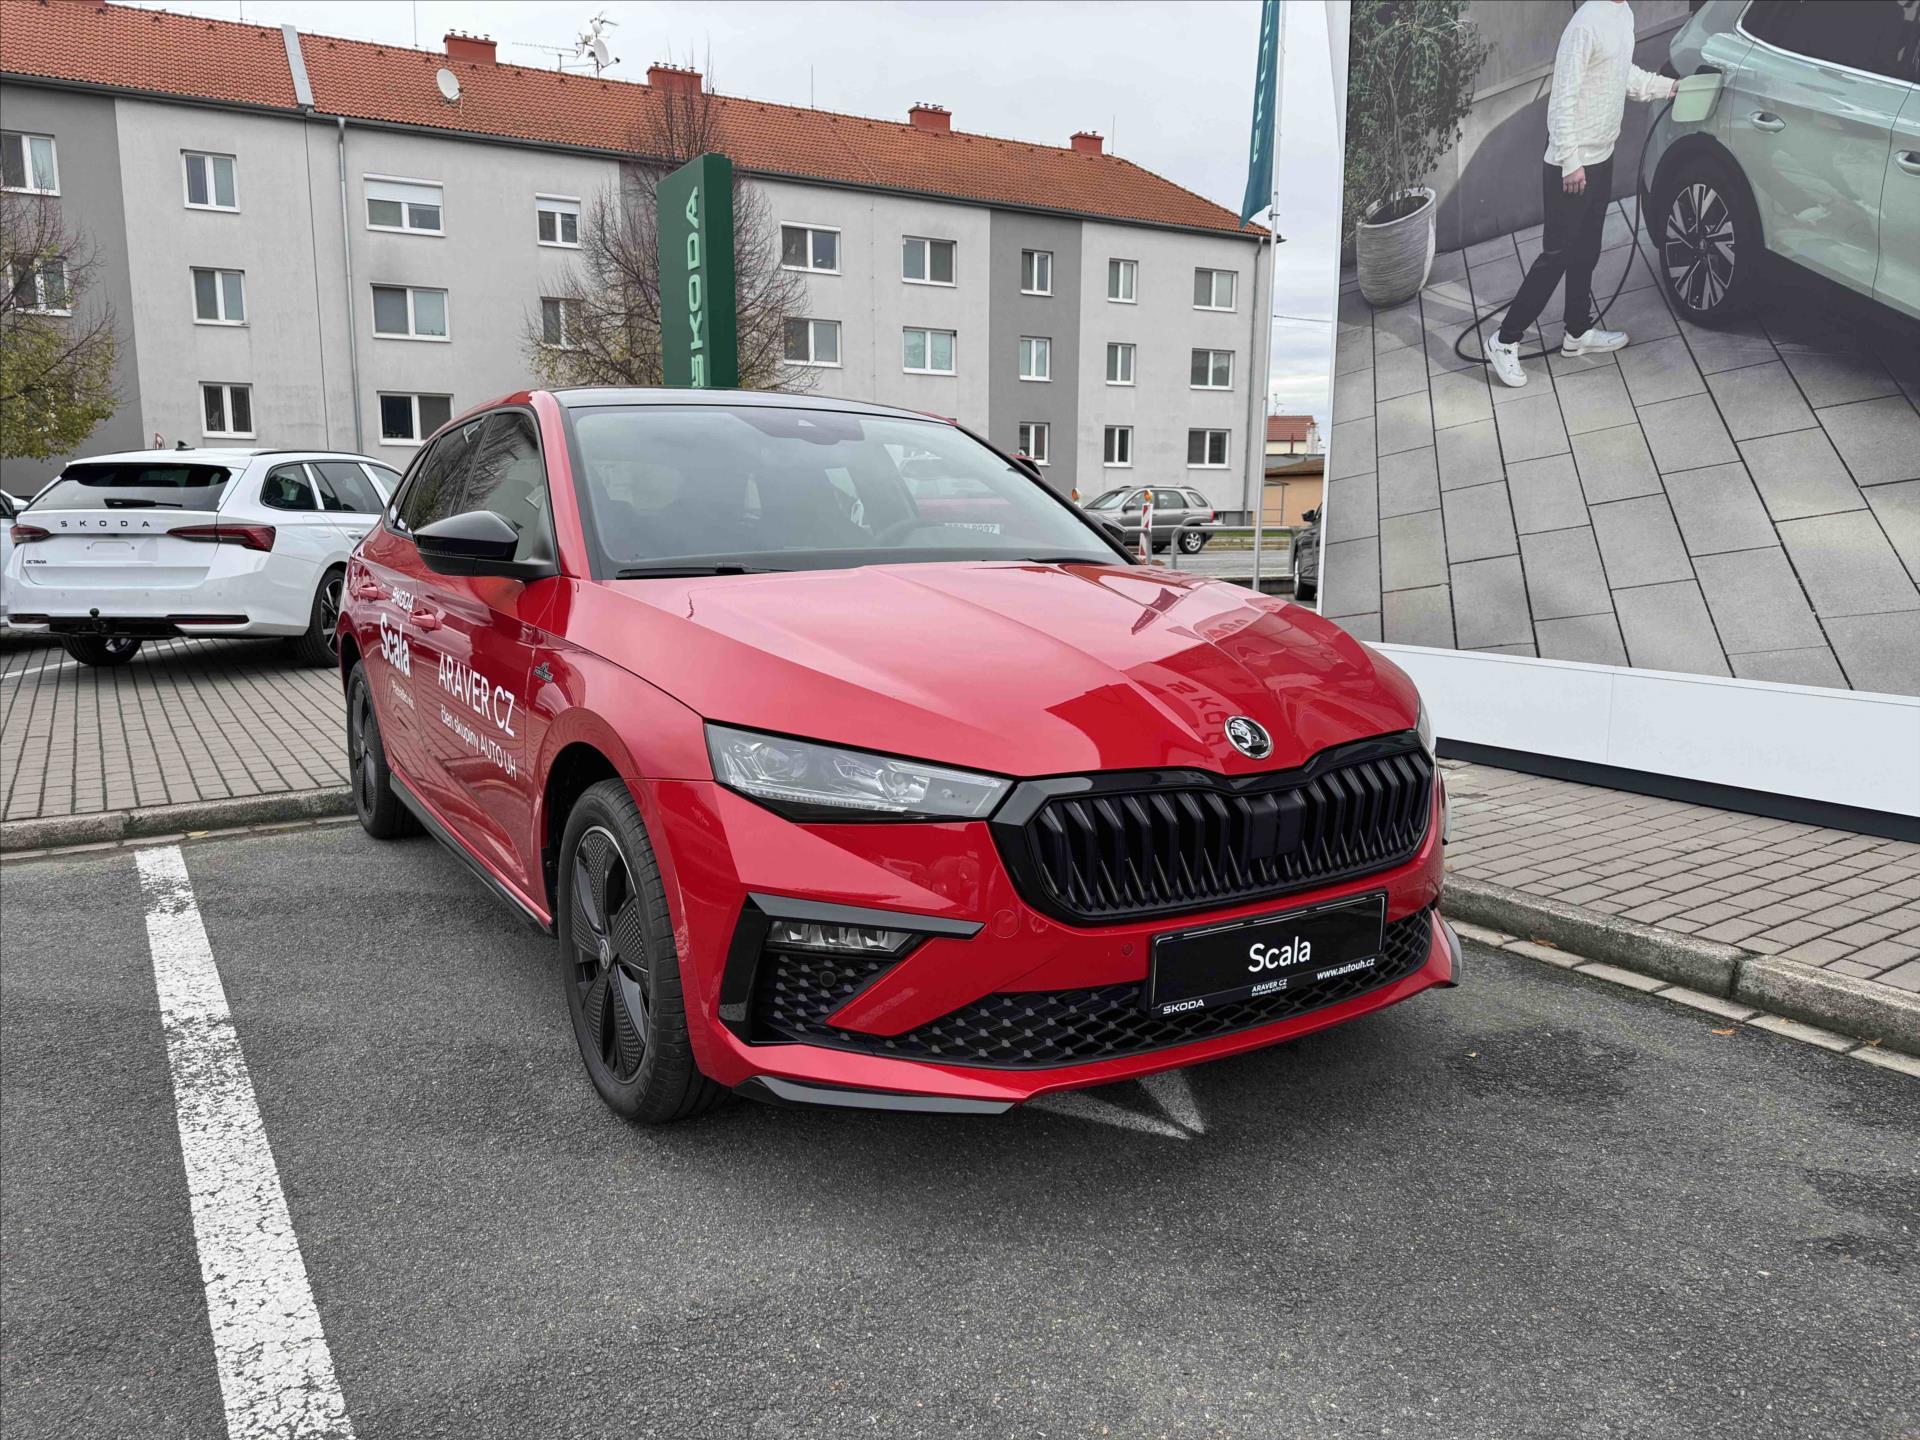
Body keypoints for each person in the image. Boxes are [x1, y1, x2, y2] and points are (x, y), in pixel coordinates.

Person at [1486, 0, 1677, 388]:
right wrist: (1570, 160)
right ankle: (1504, 340)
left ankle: (1576, 333)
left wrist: (1668, 87)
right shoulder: (1584, 24)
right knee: (1556, 256)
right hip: (1571, 164)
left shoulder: (1622, 15)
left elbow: (1622, 75)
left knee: (1587, 249)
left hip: (1602, 154)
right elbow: (1563, 99)